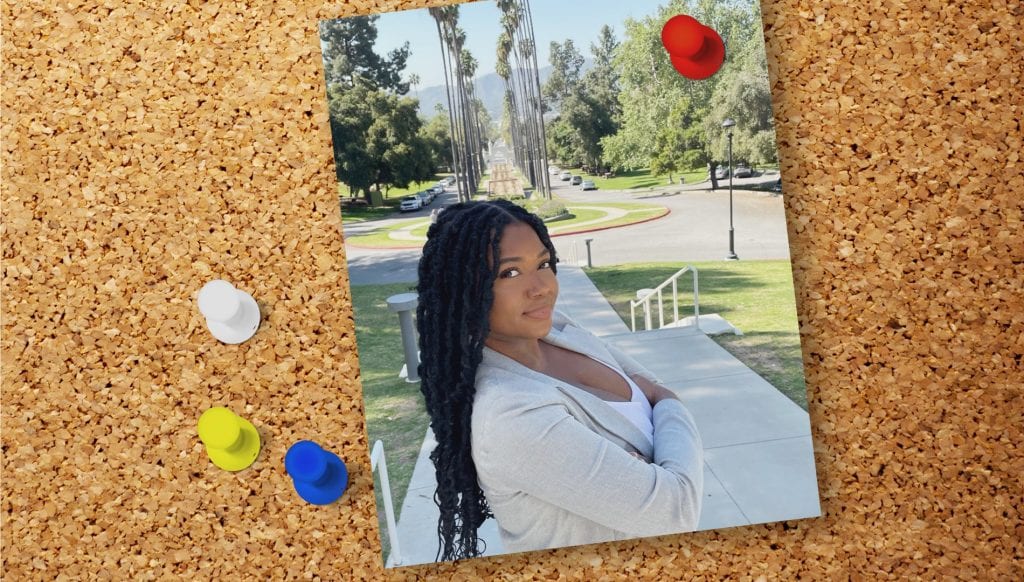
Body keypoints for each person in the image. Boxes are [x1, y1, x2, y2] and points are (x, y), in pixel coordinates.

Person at [415, 199, 703, 562]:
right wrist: (669, 403)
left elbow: (651, 383)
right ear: (464, 290)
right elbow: (676, 511)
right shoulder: (511, 415)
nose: (541, 288)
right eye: (509, 273)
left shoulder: (558, 328)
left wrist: (660, 407)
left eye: (543, 264)